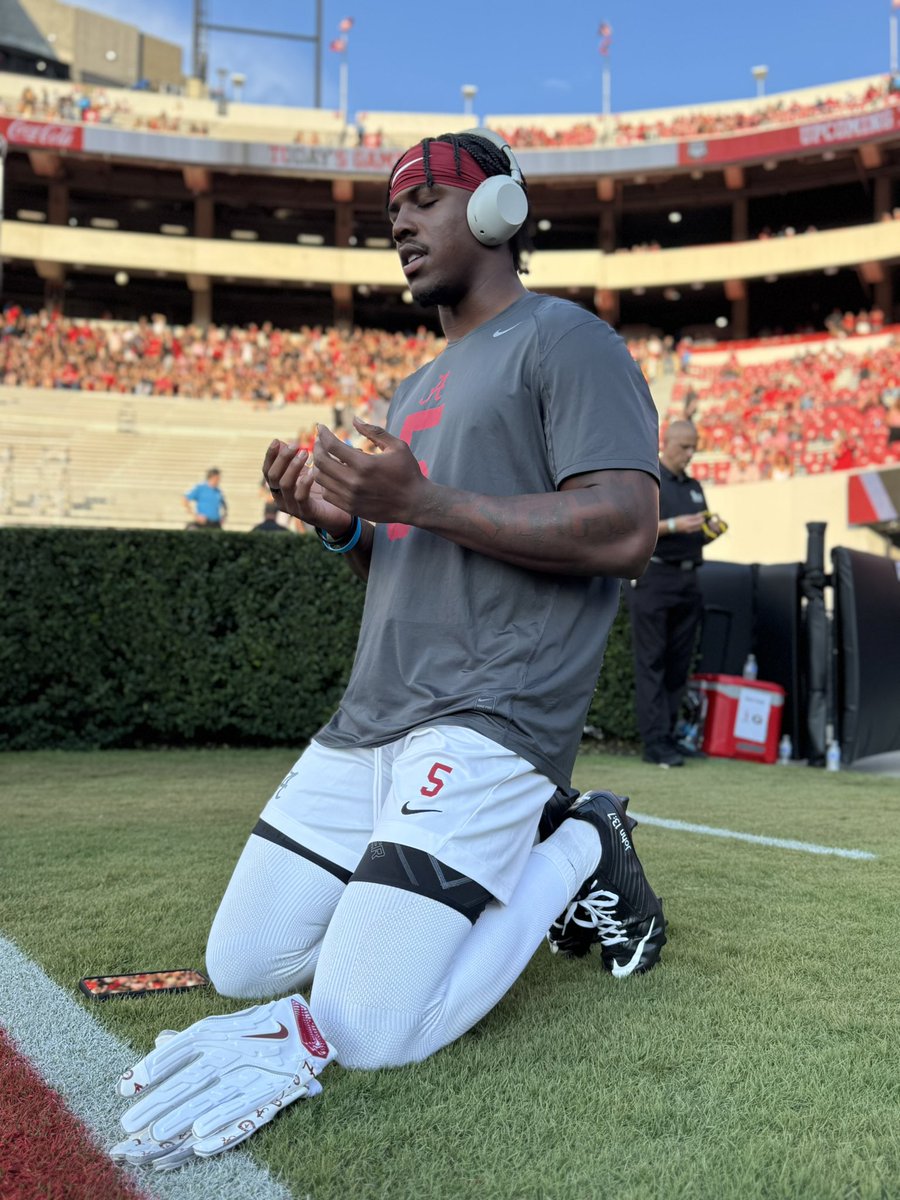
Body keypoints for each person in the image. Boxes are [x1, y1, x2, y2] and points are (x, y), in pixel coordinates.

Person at [110, 129, 666, 1170]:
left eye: (423, 200)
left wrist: (417, 496)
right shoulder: (412, 389)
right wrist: (343, 524)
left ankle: (586, 839)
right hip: (371, 721)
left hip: (490, 714)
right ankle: (437, 886)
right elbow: (411, 562)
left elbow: (626, 528)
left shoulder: (568, 341)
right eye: (390, 212)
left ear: (499, 210)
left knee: (368, 1028)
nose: (398, 225)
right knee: (242, 965)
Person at [625, 419, 727, 767]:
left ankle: (669, 736)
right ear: (665, 443)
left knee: (678, 665)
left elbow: (697, 535)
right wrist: (672, 526)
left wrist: (710, 531)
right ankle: (655, 744)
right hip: (656, 577)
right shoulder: (649, 480)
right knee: (652, 661)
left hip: (689, 579)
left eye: (693, 446)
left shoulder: (694, 486)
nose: (689, 453)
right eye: (684, 446)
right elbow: (632, 527)